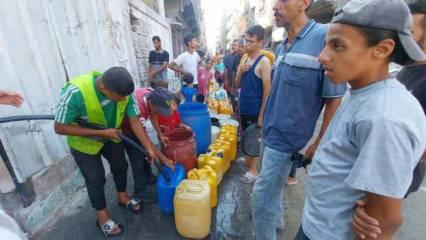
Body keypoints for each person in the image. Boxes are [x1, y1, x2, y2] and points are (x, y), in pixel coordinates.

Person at [296, 0, 426, 239]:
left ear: (382, 49)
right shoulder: (361, 91)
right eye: (326, 44)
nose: (322, 57)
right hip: (317, 227)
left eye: (338, 46)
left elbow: (385, 220)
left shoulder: (384, 116)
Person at [251, 0, 347, 239]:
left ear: (304, 2)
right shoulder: (282, 47)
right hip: (270, 133)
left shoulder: (324, 37)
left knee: (260, 199)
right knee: (271, 188)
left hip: (288, 139)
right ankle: (276, 225)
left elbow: (334, 98)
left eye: (283, 0)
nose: (275, 6)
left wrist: (319, 142)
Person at [54, 67, 167, 237]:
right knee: (96, 178)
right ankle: (102, 217)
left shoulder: (124, 93)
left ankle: (122, 196)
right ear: (103, 89)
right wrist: (101, 133)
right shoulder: (75, 92)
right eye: (119, 97)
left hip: (111, 136)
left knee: (121, 166)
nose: (123, 99)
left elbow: (134, 121)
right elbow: (60, 127)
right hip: (84, 143)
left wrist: (149, 148)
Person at [351, 1, 426, 239]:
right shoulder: (405, 71)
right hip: (367, 178)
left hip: (392, 183)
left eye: (409, 33)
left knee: (373, 228)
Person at [120, 87, 175, 204]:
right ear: (151, 102)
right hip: (127, 128)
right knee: (137, 157)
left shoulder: (152, 94)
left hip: (138, 125)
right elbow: (146, 140)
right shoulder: (139, 109)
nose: (159, 112)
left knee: (147, 153)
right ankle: (139, 191)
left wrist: (159, 134)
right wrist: (164, 159)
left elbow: (154, 116)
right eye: (158, 110)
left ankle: (148, 176)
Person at [235, 25, 272, 184]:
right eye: (246, 40)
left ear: (260, 43)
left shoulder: (263, 62)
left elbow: (267, 91)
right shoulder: (244, 59)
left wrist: (262, 115)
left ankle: (254, 170)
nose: (246, 44)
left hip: (256, 109)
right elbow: (237, 85)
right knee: (246, 136)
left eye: (250, 41)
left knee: (254, 139)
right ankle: (249, 160)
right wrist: (240, 72)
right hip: (244, 106)